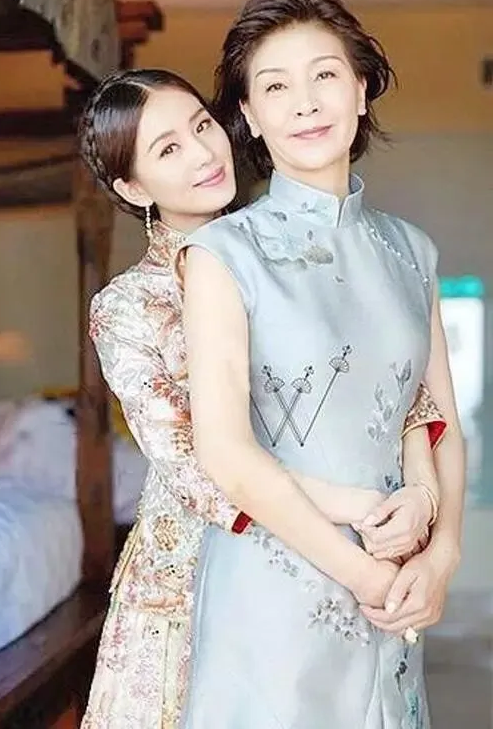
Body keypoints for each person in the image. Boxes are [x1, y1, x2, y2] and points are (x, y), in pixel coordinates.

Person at [77, 68, 446, 728]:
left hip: (347, 542)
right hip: (200, 565)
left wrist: (421, 494)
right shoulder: (128, 308)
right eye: (168, 149)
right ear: (133, 188)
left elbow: (396, 381)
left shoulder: (301, 251)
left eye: (201, 126)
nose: (202, 153)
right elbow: (192, 460)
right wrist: (355, 506)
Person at [179, 0, 464, 728]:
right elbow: (226, 456)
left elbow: (437, 417)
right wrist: (363, 574)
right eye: (275, 87)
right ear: (249, 115)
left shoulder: (411, 251)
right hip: (276, 593)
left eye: (325, 75)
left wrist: (440, 556)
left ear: (361, 91)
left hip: (397, 590)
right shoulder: (222, 253)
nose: (305, 103)